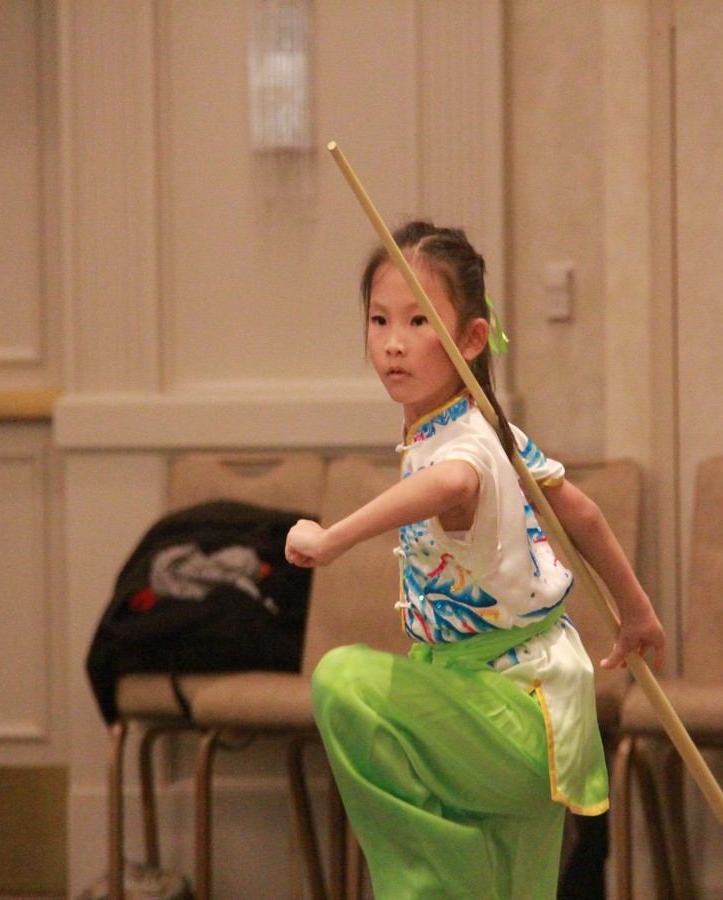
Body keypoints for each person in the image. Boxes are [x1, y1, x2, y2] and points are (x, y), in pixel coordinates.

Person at [285, 221, 665, 899]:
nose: (393, 342)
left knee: (343, 682)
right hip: (514, 704)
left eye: (418, 321)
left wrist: (335, 538)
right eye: (379, 320)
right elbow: (580, 512)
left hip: (511, 716)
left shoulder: (467, 442)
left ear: (470, 339)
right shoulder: (491, 427)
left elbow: (455, 483)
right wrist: (635, 612)